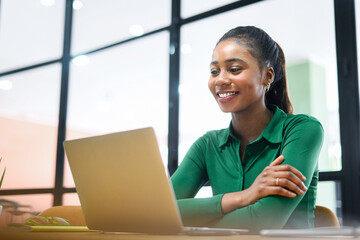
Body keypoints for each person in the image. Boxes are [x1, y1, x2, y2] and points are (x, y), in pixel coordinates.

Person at [170, 26, 324, 232]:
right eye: (214, 71)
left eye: (234, 69)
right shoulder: (207, 145)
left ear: (267, 76)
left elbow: (263, 221)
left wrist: (194, 222)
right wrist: (244, 197)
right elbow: (161, 212)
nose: (221, 80)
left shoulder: (302, 130)